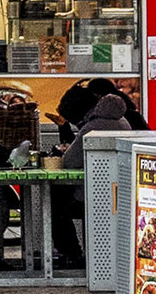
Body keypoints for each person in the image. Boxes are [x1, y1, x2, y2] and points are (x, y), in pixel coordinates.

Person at [50, 80, 139, 273]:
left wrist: (64, 151)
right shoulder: (122, 121)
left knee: (54, 203)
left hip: (95, 196)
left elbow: (69, 162)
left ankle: (73, 254)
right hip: (121, 193)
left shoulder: (92, 127)